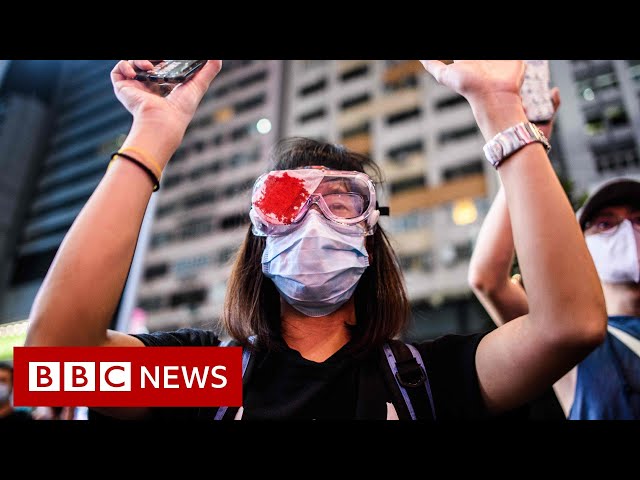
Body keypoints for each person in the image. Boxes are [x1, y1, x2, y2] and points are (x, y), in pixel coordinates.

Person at [24, 60, 607, 420]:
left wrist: (500, 107)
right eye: (284, 203)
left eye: (341, 201)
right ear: (259, 236)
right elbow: (54, 360)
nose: (312, 220)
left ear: (371, 237)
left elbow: (570, 327)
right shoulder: (206, 379)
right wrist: (151, 133)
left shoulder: (426, 379)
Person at [468, 98, 640, 418]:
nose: (629, 231)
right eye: (606, 224)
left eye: (638, 220)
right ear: (581, 248)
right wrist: (524, 149)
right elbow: (488, 279)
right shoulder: (568, 335)